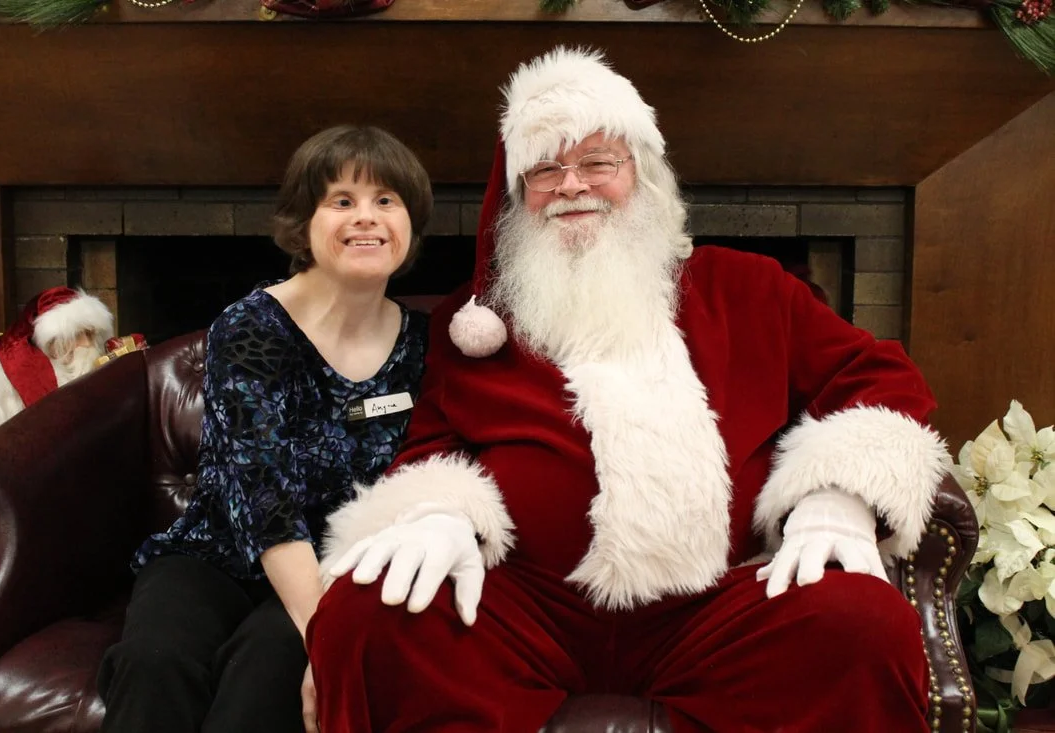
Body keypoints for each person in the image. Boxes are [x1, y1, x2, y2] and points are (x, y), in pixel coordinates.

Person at [306, 47, 951, 733]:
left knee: (865, 625)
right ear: (520, 195)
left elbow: (879, 375)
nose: (572, 184)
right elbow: (436, 440)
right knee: (365, 612)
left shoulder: (750, 287)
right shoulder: (477, 322)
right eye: (545, 169)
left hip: (715, 609)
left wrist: (837, 497)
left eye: (597, 163)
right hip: (527, 612)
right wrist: (438, 513)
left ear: (640, 174)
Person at [96, 125, 433, 733]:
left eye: (387, 200)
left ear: (410, 224)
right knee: (154, 662)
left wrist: (322, 635)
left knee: (270, 667)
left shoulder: (423, 347)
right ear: (304, 222)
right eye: (342, 200)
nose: (367, 218)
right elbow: (265, 495)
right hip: (217, 555)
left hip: (340, 564)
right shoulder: (251, 328)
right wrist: (325, 637)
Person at [0, 286, 113, 453]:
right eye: (78, 335)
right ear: (53, 342)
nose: (88, 344)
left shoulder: (93, 369)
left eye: (91, 334)